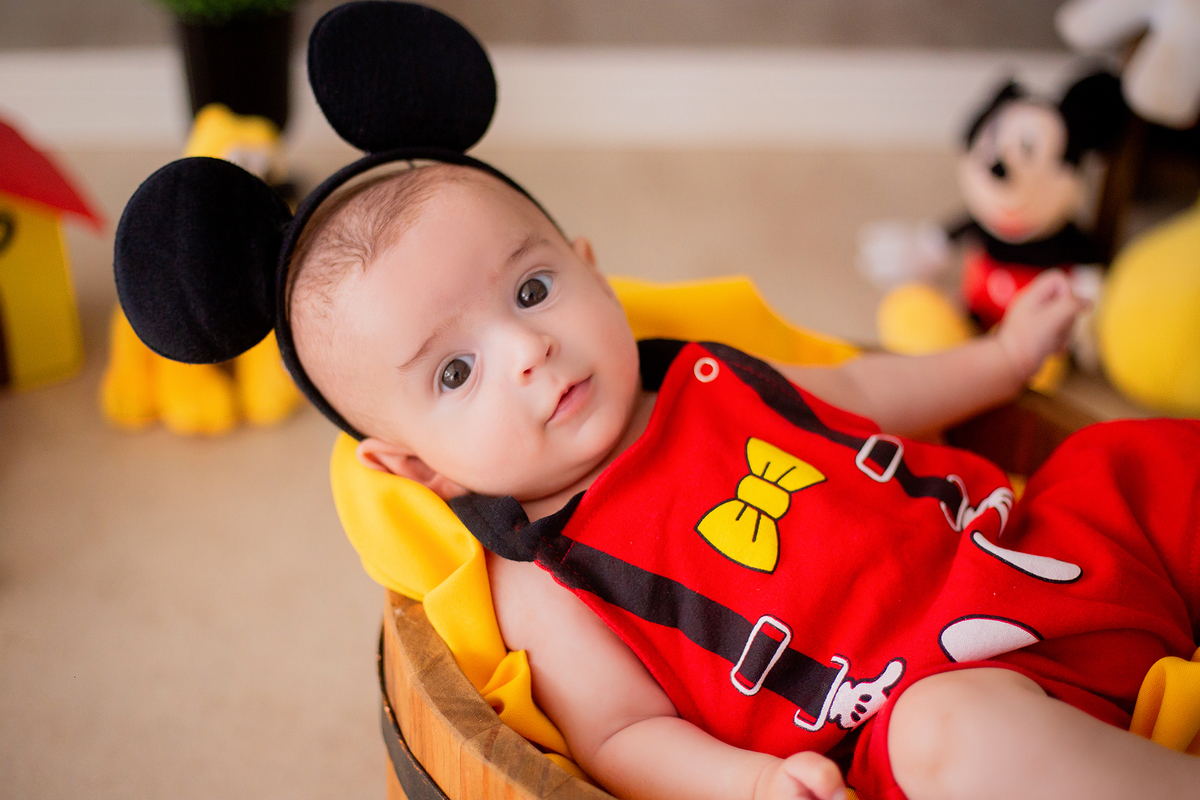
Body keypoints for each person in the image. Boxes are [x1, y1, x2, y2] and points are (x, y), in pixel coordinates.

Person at [289, 161, 1199, 800]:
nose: (529, 351)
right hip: (910, 701)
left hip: (1031, 550)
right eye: (456, 373)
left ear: (591, 269)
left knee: (1139, 458)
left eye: (531, 291)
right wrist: (753, 782)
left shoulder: (710, 375)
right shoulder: (545, 581)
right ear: (417, 468)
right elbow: (621, 739)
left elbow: (867, 393)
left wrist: (999, 360)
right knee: (955, 741)